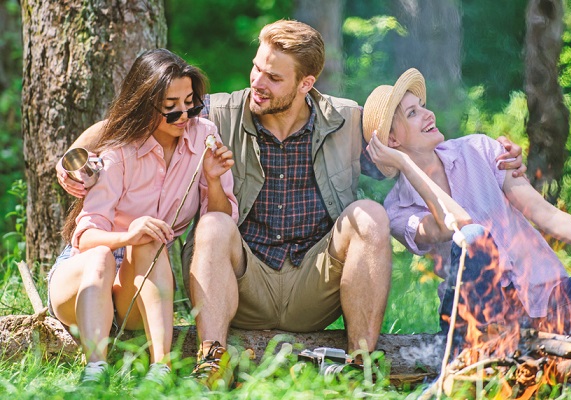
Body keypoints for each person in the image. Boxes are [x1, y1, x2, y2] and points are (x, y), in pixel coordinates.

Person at [56, 20, 524, 387]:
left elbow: (410, 143)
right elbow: (128, 116)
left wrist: (489, 152)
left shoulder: (346, 119)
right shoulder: (217, 111)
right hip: (246, 282)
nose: (257, 81)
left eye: (273, 77)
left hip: (313, 284)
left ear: (306, 83)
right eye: (257, 67)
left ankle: (359, 366)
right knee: (214, 226)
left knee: (370, 214)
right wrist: (71, 160)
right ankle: (211, 360)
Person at [363, 68, 571, 381]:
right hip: (487, 326)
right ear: (392, 143)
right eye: (412, 113)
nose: (428, 114)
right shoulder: (397, 210)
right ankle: (459, 370)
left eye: (422, 106)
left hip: (549, 305)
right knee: (472, 236)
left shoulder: (480, 150)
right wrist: (407, 167)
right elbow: (458, 224)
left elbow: (545, 214)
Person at [49, 48, 237, 386]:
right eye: (171, 107)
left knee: (150, 242)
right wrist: (128, 235)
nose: (184, 115)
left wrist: (211, 178)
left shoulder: (203, 135)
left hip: (142, 279)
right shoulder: (120, 152)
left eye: (190, 102)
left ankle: (160, 369)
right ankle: (95, 371)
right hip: (84, 277)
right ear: (145, 103)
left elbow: (220, 222)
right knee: (103, 255)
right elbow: (87, 237)